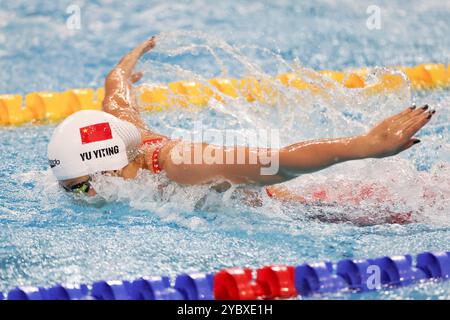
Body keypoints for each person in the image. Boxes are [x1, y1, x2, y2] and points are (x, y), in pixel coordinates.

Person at [47, 37, 435, 224]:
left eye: (80, 186)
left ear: (109, 167)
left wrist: (363, 146)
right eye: (71, 188)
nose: (79, 196)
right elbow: (116, 93)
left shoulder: (180, 164)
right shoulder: (121, 132)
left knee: (406, 214)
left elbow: (273, 164)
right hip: (273, 198)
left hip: (299, 207)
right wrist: (123, 68)